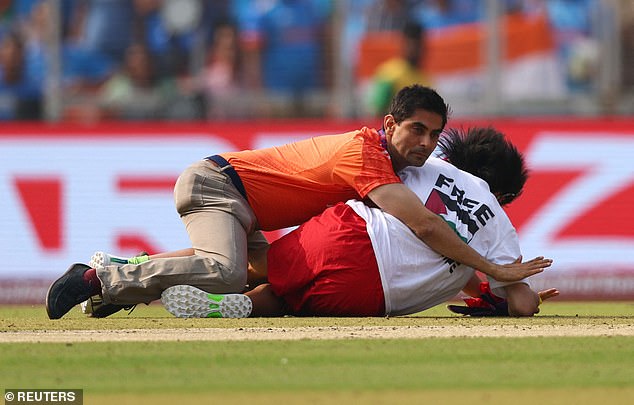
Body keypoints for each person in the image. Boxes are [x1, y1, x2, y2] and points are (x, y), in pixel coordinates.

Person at [46, 84, 549, 320]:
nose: (424, 144)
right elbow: (423, 226)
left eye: (433, 135)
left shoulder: (408, 167)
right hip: (220, 186)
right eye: (416, 130)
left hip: (243, 198)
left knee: (254, 264)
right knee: (227, 269)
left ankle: (124, 272)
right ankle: (101, 279)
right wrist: (493, 270)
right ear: (389, 124)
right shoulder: (367, 154)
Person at [159, 126, 557, 318]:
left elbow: (430, 230)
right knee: (285, 300)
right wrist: (514, 295)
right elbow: (519, 302)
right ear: (502, 194)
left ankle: (145, 271)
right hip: (376, 291)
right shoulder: (497, 222)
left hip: (347, 233)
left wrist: (479, 282)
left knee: (253, 265)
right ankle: (238, 306)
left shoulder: (422, 163)